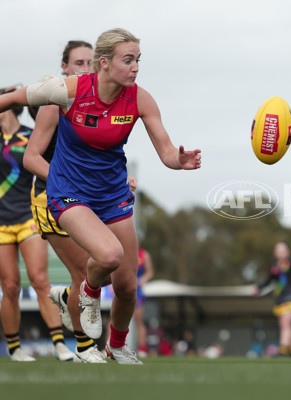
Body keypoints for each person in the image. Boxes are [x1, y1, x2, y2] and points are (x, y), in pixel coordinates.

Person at [0, 28, 201, 364]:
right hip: (68, 193)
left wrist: (178, 162)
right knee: (109, 256)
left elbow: (166, 150)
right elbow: (18, 98)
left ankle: (117, 345)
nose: (136, 67)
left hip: (112, 195)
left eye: (138, 60)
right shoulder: (68, 90)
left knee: (126, 286)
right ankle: (85, 295)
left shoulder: (140, 98)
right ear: (104, 64)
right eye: (128, 60)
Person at [23, 40, 111, 363]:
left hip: (82, 198)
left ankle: (65, 299)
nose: (85, 69)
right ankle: (86, 348)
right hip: (51, 197)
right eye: (78, 63)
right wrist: (64, 182)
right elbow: (31, 159)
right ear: (64, 67)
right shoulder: (54, 100)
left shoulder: (98, 105)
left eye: (90, 62)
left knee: (108, 269)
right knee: (81, 272)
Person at [0, 85, 74, 362]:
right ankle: (15, 348)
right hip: (1, 223)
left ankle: (60, 345)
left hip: (27, 216)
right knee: (10, 287)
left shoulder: (31, 136)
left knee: (41, 280)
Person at [253, 241, 291, 357]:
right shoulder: (275, 266)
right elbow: (268, 281)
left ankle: (283, 349)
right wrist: (258, 288)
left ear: (288, 252)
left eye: (283, 250)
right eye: (278, 251)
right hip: (280, 299)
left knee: (286, 324)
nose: (281, 253)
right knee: (284, 325)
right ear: (275, 253)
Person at [133, 246, 154, 356]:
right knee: (115, 319)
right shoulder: (124, 251)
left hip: (138, 292)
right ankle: (110, 346)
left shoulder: (144, 254)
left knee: (139, 321)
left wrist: (140, 281)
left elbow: (150, 272)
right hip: (123, 289)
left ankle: (142, 349)